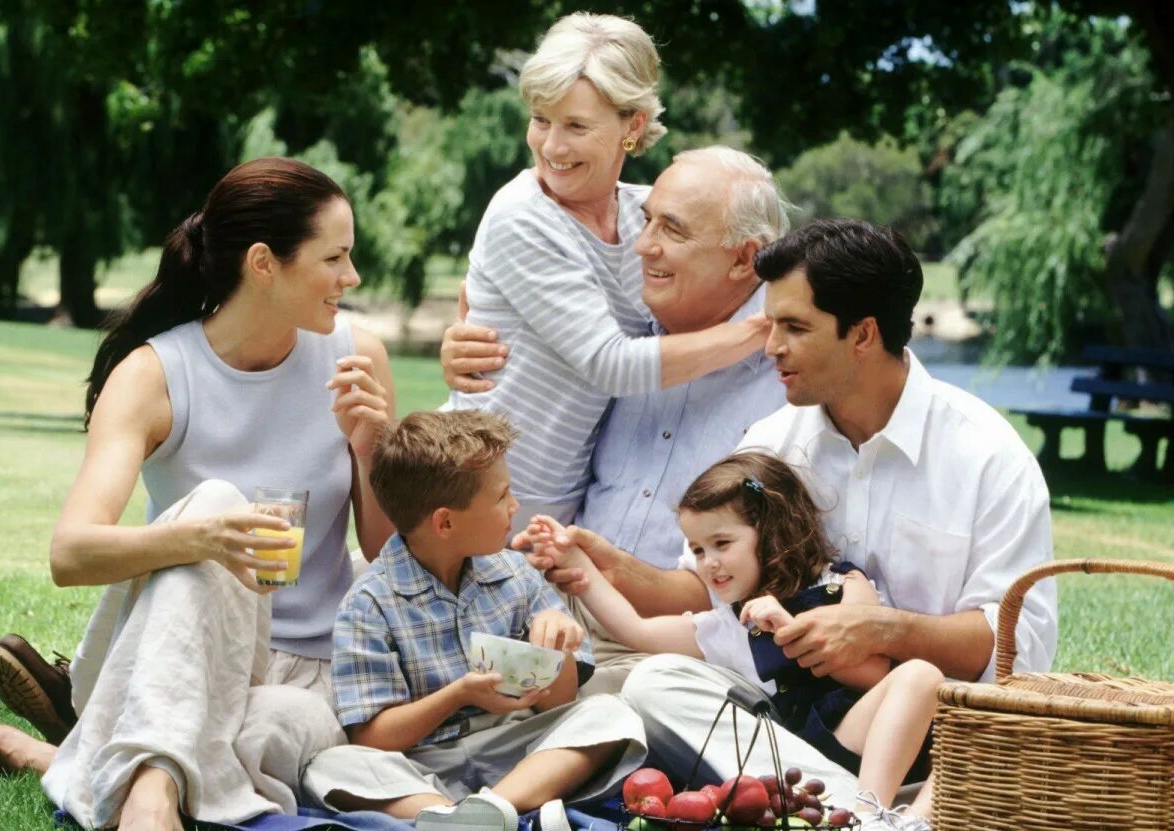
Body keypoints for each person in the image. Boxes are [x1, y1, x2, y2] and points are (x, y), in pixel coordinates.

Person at [536, 218, 1056, 819]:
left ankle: (817, 802)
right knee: (656, 684)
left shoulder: (988, 455)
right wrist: (610, 563)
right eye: (771, 322)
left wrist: (881, 631)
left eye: (795, 327)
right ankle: (862, 813)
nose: (770, 346)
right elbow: (707, 595)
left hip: (926, 731)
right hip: (790, 723)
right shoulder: (773, 443)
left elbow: (1021, 647)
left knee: (951, 712)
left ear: (861, 334)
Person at [0, 157, 395, 831]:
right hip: (161, 651)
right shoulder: (155, 375)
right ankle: (149, 800)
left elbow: (382, 548)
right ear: (264, 262)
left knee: (277, 730)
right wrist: (202, 536)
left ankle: (74, 757)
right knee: (217, 499)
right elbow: (70, 552)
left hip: (303, 671)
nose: (353, 278)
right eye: (335, 258)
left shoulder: (356, 360)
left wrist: (372, 444)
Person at [445, 145, 791, 693]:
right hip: (556, 615)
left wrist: (616, 573)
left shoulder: (789, 370)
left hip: (679, 650)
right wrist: (462, 342)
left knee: (590, 706)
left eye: (672, 230)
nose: (643, 244)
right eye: (646, 219)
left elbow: (765, 580)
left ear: (744, 259)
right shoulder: (622, 326)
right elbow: (489, 314)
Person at [447, 14, 769, 529]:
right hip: (466, 505)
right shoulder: (521, 216)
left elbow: (753, 254)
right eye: (541, 120)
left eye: (576, 126)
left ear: (633, 125)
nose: (552, 147)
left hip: (557, 516)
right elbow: (611, 364)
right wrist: (758, 331)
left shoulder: (646, 217)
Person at [526, 451, 943, 829]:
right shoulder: (731, 623)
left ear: (772, 530)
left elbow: (872, 674)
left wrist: (788, 630)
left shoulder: (843, 585)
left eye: (722, 544)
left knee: (922, 675)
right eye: (698, 550)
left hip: (864, 737)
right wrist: (579, 566)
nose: (709, 563)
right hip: (796, 756)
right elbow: (636, 630)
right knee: (651, 678)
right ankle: (869, 818)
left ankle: (868, 815)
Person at [300, 410, 646, 831]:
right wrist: (459, 693)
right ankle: (467, 815)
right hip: (423, 767)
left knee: (610, 713)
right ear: (445, 522)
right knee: (332, 766)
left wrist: (559, 650)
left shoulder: (516, 575)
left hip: (520, 747)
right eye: (502, 497)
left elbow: (560, 702)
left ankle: (481, 814)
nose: (514, 507)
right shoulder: (368, 604)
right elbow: (371, 737)